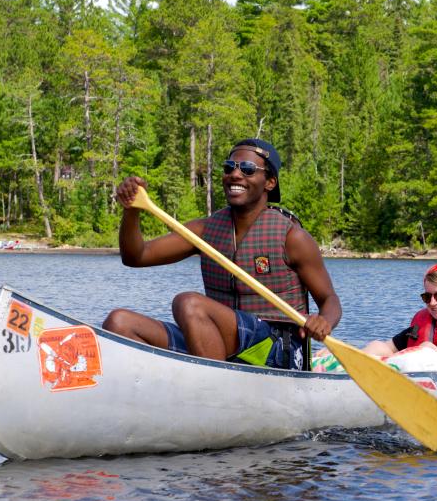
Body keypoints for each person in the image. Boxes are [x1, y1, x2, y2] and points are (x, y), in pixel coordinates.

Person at [103, 138, 341, 370]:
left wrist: (324, 321)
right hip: (217, 342)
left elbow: (330, 300)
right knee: (119, 323)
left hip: (278, 350)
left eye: (248, 169)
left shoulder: (292, 237)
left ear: (269, 182)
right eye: (229, 167)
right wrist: (131, 210)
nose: (235, 175)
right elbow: (136, 256)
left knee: (188, 303)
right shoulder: (206, 230)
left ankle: (213, 390)